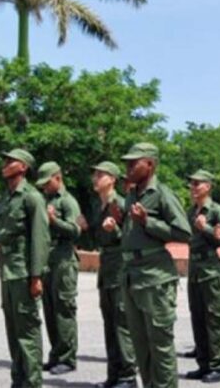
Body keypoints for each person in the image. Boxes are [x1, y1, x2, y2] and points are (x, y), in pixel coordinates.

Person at [121, 142, 192, 388]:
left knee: (160, 345)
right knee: (140, 345)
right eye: (127, 163)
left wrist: (148, 221)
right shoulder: (132, 194)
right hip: (132, 276)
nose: (128, 167)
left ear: (150, 164)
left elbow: (184, 232)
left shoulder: (162, 193)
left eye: (134, 163)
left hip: (155, 277)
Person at [0, 149, 50, 388]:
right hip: (8, 272)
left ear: (23, 167)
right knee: (13, 331)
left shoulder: (32, 197)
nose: (5, 164)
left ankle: (32, 382)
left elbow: (40, 238)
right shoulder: (8, 197)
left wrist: (36, 276)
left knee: (27, 331)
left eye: (11, 161)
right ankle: (18, 380)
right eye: (5, 160)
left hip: (23, 273)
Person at [87, 161, 138, 388]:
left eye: (101, 175)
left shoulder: (121, 204)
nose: (95, 178)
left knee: (121, 323)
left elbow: (132, 238)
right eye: (95, 175)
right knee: (109, 324)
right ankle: (114, 374)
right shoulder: (99, 206)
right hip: (106, 269)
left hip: (119, 269)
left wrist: (115, 229)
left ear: (112, 180)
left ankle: (128, 376)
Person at [35, 161, 82, 375]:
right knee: (50, 309)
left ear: (58, 178)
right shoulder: (45, 200)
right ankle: (55, 355)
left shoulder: (68, 201)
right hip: (48, 259)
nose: (45, 187)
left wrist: (54, 220)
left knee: (64, 309)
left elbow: (76, 230)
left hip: (64, 260)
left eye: (47, 183)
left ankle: (67, 358)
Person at [185, 169, 220, 383]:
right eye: (191, 184)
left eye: (197, 184)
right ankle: (203, 364)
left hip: (210, 269)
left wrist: (207, 229)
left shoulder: (216, 210)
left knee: (214, 318)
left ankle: (219, 366)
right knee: (198, 317)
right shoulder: (190, 211)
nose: (193, 188)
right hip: (194, 269)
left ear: (208, 187)